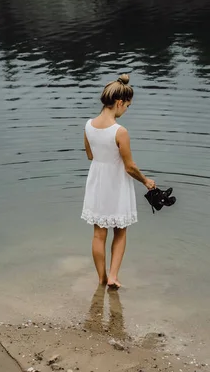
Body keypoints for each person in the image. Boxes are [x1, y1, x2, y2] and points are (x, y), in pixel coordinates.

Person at [81, 74, 156, 289]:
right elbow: (129, 166)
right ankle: (113, 276)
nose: (126, 111)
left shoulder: (88, 126)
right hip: (116, 183)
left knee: (98, 233)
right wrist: (146, 181)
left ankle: (101, 278)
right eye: (128, 106)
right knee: (120, 231)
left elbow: (90, 155)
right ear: (119, 102)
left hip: (97, 182)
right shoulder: (120, 132)